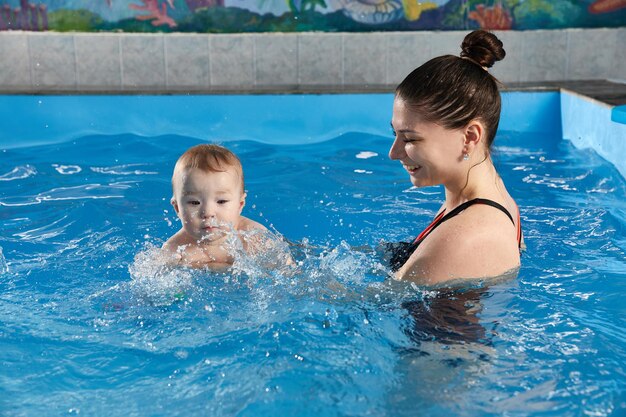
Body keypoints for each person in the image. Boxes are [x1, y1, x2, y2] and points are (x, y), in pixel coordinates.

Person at [388, 30, 523, 284]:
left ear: (470, 137)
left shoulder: (465, 236)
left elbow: (370, 307)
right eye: (394, 134)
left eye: (410, 139)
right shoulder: (491, 198)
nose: (393, 153)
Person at [162, 143, 278, 269]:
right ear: (177, 208)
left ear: (240, 205)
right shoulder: (176, 249)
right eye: (194, 203)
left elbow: (288, 272)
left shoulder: (255, 239)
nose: (207, 212)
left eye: (221, 201)